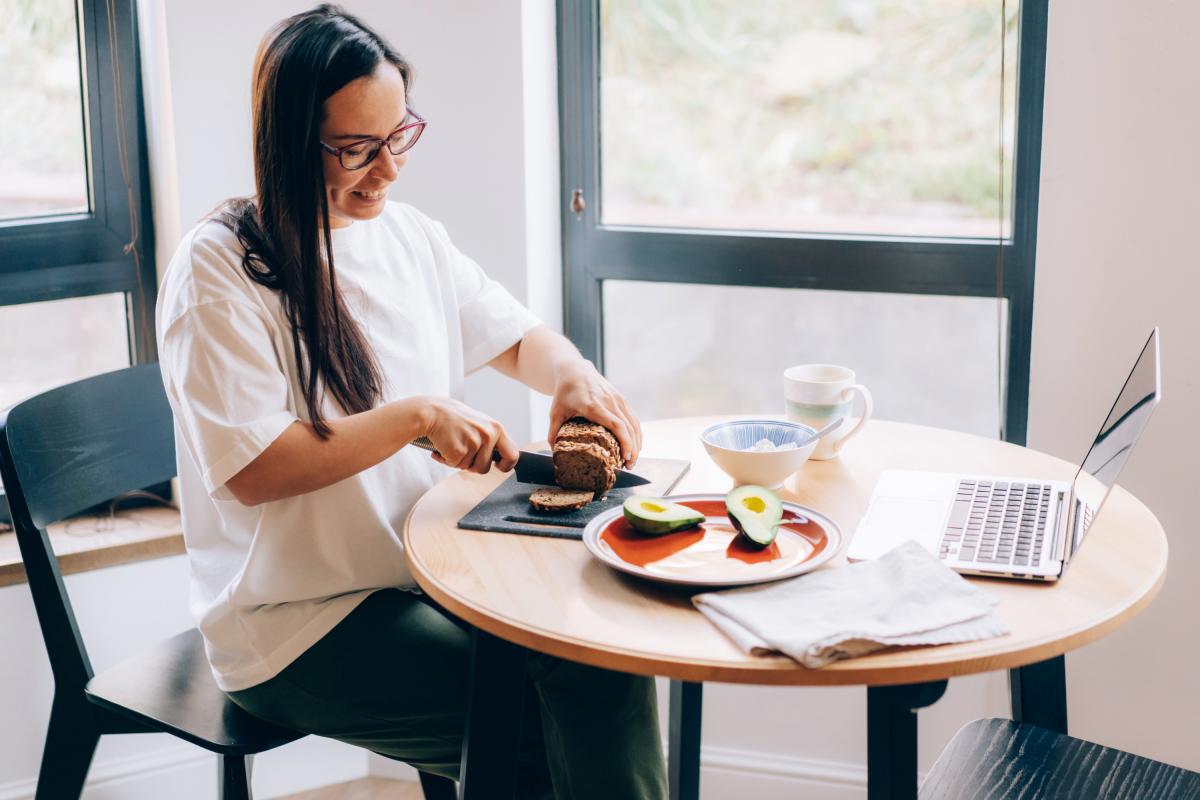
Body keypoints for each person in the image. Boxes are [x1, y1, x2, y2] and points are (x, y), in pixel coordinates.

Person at [154, 5, 667, 798]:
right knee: (529, 729)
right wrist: (419, 417)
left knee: (605, 664)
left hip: (429, 572)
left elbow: (516, 336)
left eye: (398, 136)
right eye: (358, 149)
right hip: (298, 619)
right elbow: (255, 470)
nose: (388, 170)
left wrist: (572, 373)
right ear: (288, 142)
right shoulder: (218, 270)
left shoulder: (409, 236)